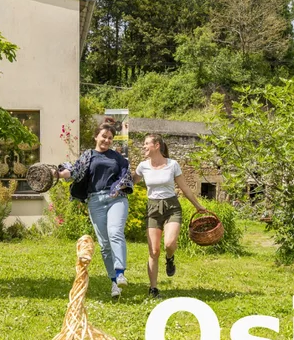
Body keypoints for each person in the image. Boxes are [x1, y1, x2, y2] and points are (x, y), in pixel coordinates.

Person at [56, 122, 134, 299]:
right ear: (96, 136)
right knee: (105, 245)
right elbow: (74, 171)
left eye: (110, 138)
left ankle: (120, 272)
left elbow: (126, 175)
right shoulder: (88, 156)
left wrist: (118, 188)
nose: (106, 140)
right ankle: (114, 283)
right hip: (95, 201)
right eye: (104, 136)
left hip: (116, 198)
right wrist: (59, 174)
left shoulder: (117, 158)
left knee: (115, 232)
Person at [134, 134, 206, 298]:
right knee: (153, 250)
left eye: (146, 144)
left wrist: (198, 206)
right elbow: (130, 182)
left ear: (156, 145)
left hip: (172, 207)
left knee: (169, 243)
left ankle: (170, 257)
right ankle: (153, 289)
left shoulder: (172, 164)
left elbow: (185, 188)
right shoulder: (142, 166)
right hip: (152, 208)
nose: (143, 147)